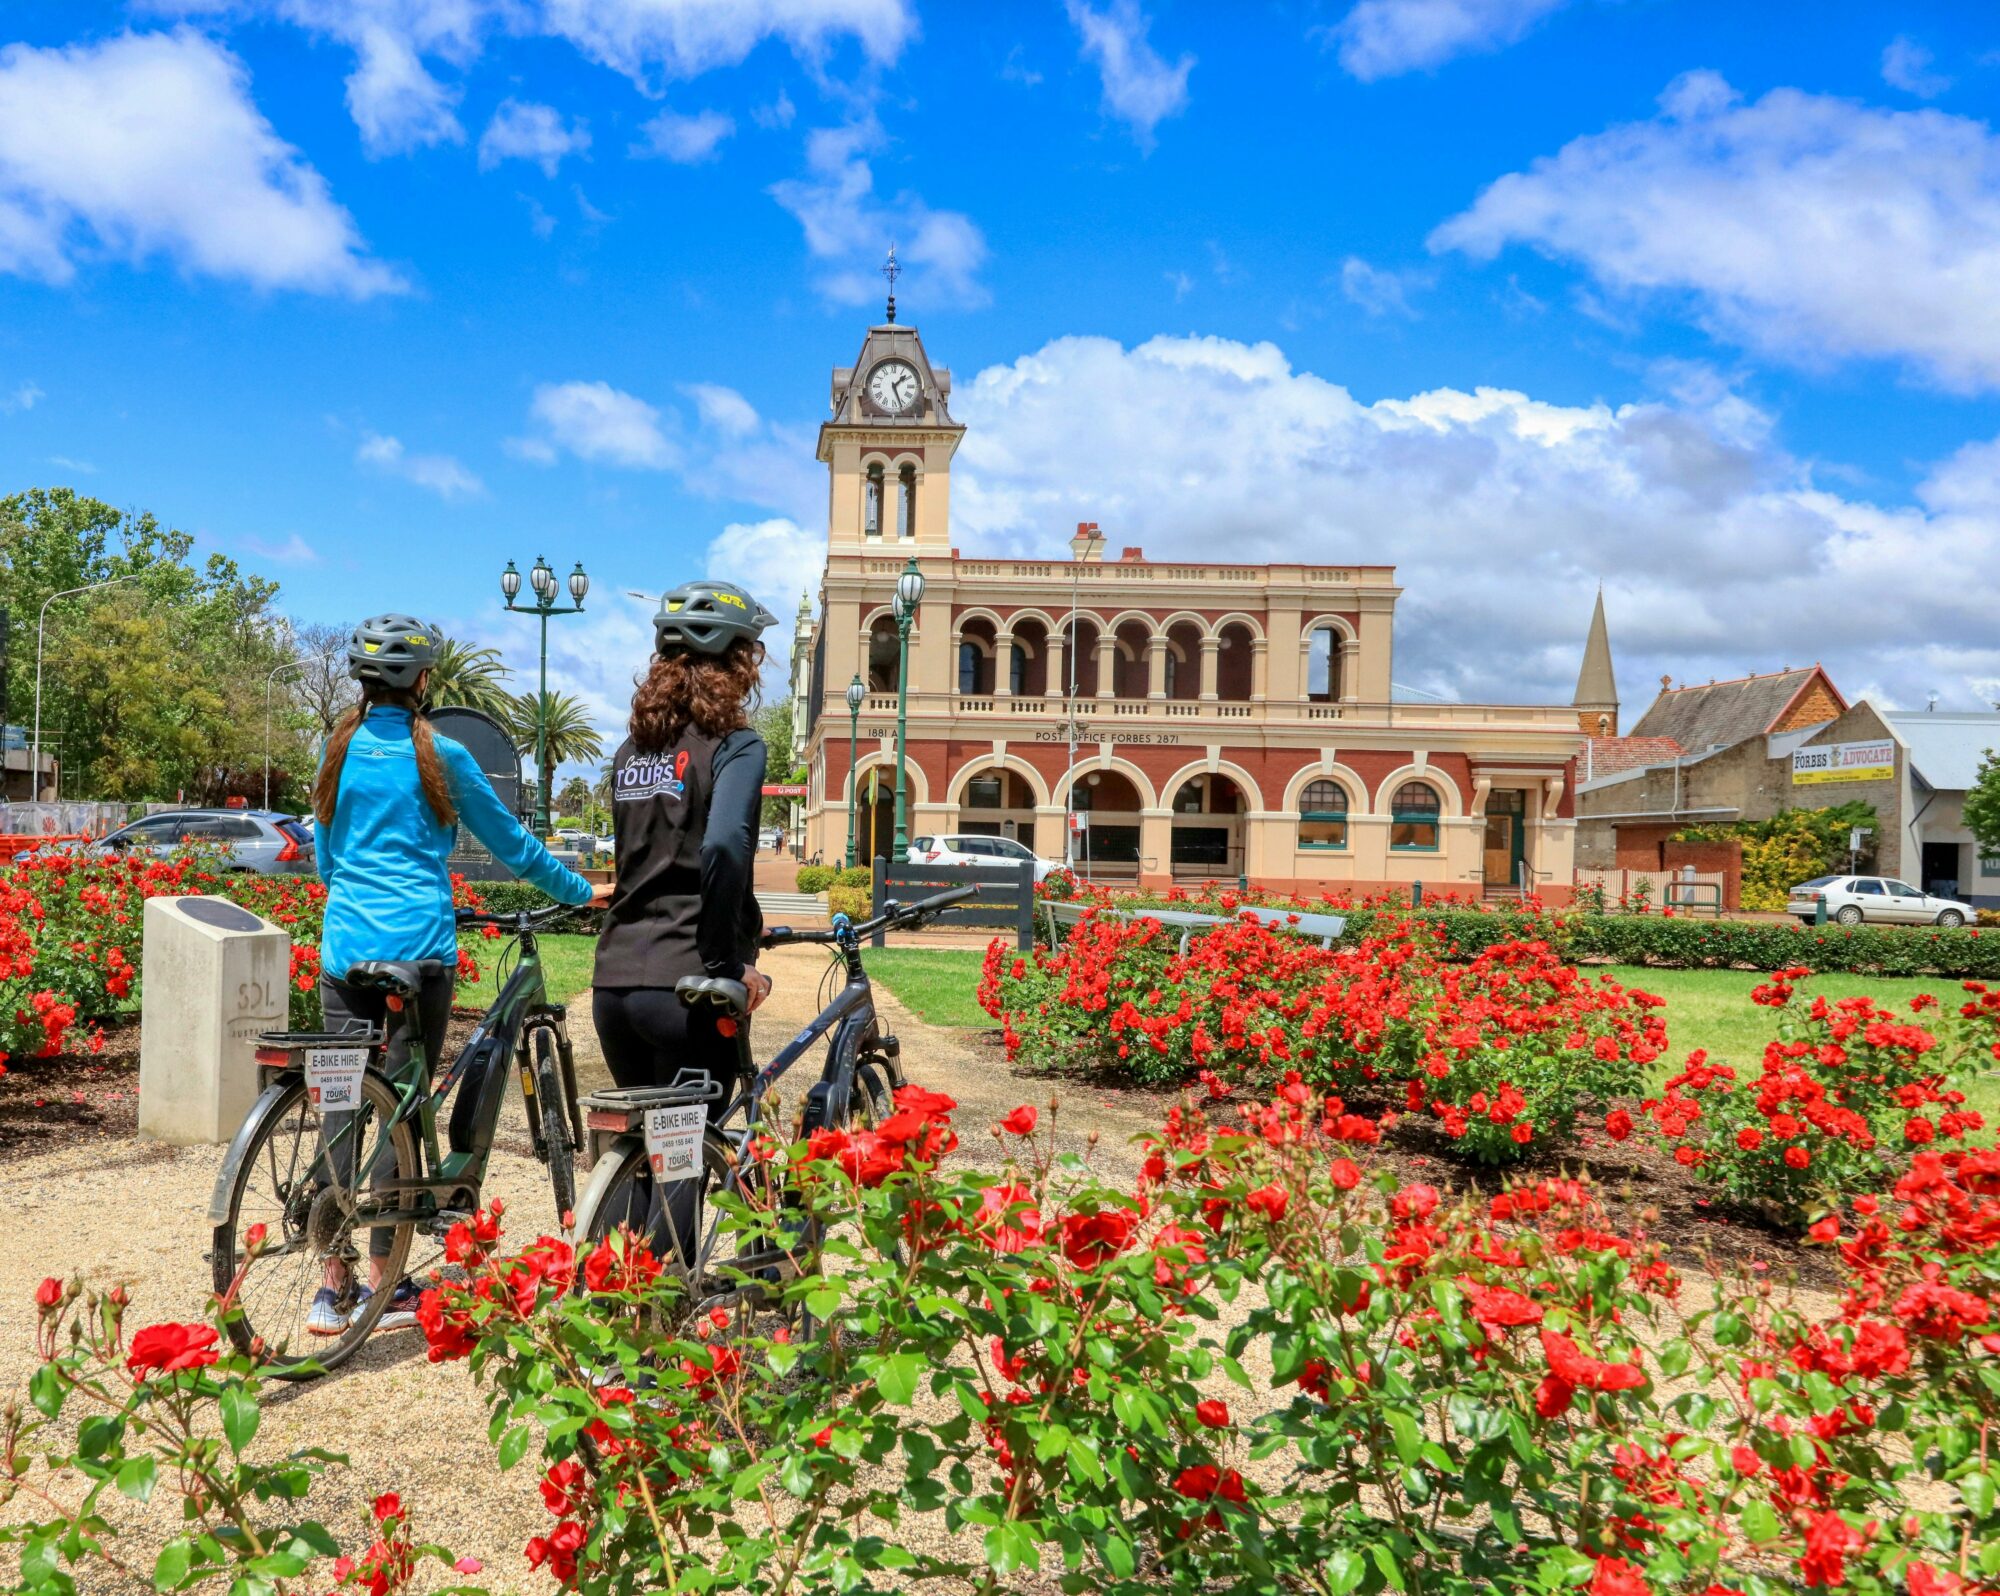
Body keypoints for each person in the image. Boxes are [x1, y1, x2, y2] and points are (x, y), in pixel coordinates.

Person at [309, 613, 600, 1334]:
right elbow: (514, 846)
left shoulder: (335, 749)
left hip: (345, 949)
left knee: (343, 1103)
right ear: (424, 682)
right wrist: (581, 892)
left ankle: (329, 1285)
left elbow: (323, 854)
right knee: (402, 1110)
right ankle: (387, 1285)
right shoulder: (441, 754)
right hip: (417, 949)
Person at [592, 579, 774, 1262]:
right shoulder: (736, 745)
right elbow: (723, 847)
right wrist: (728, 964)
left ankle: (613, 1324)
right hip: (687, 990)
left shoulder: (629, 753)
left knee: (638, 1159)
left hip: (615, 983)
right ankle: (661, 1342)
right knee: (680, 1166)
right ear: (739, 660)